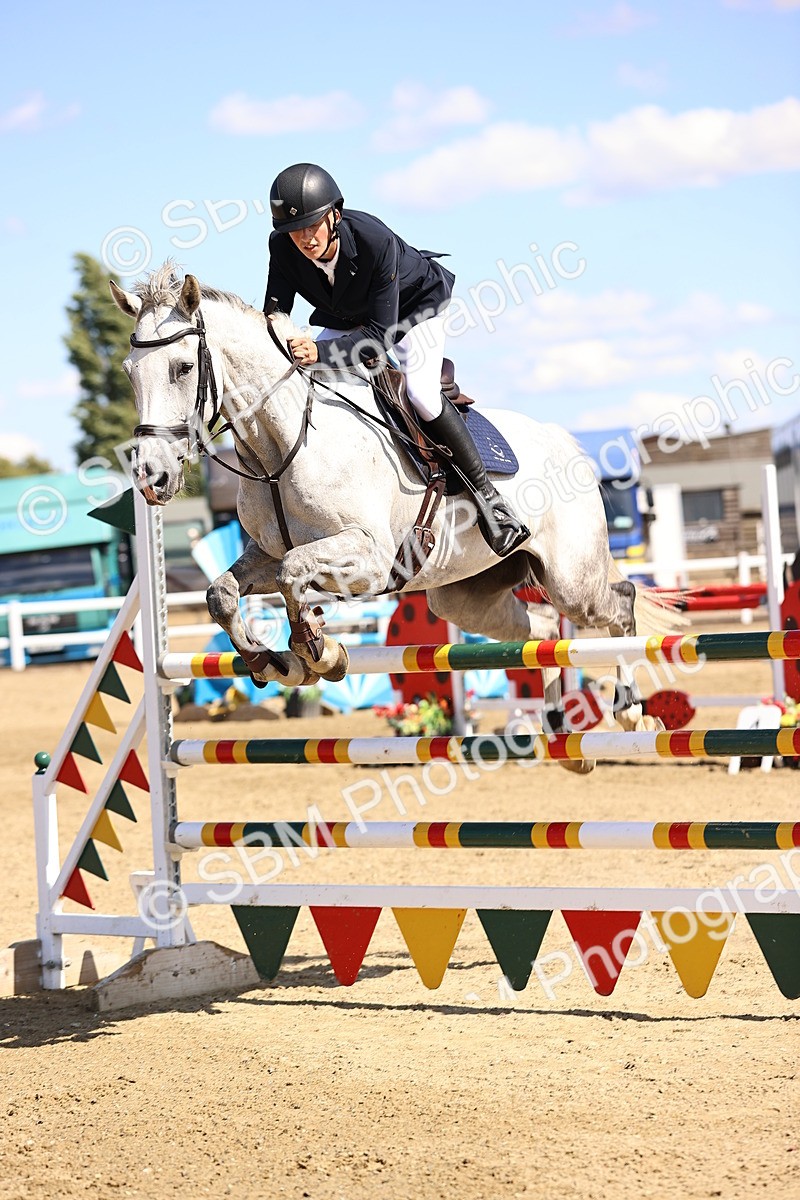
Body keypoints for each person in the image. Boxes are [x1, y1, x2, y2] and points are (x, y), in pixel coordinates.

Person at [263, 162, 530, 558]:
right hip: (347, 317)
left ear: (334, 215)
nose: (303, 238)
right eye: (292, 230)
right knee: (309, 384)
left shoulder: (374, 240)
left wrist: (318, 351)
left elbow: (376, 340)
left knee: (421, 393)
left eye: (311, 225)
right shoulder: (282, 247)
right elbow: (276, 313)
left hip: (412, 310)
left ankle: (490, 501)